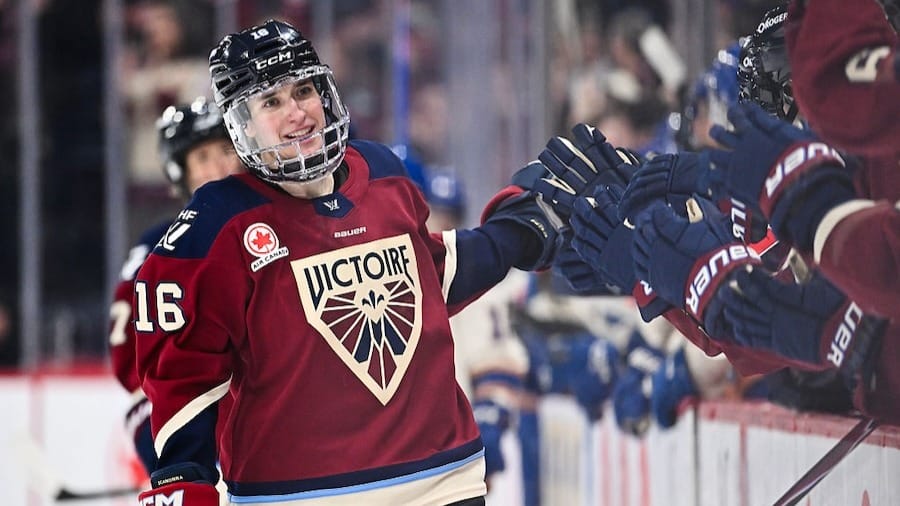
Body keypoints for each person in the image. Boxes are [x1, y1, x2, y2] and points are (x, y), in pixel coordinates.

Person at [134, 19, 559, 506]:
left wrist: (515, 237)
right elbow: (183, 374)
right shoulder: (215, 225)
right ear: (242, 125)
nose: (297, 113)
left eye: (304, 91)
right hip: (299, 497)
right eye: (271, 102)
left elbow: (427, 277)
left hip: (446, 483)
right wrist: (183, 476)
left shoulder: (382, 173)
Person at [108, 96, 242, 476]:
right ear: (178, 173)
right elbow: (132, 367)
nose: (219, 167)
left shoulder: (276, 226)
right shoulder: (159, 248)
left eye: (226, 150)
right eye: (202, 158)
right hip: (200, 411)